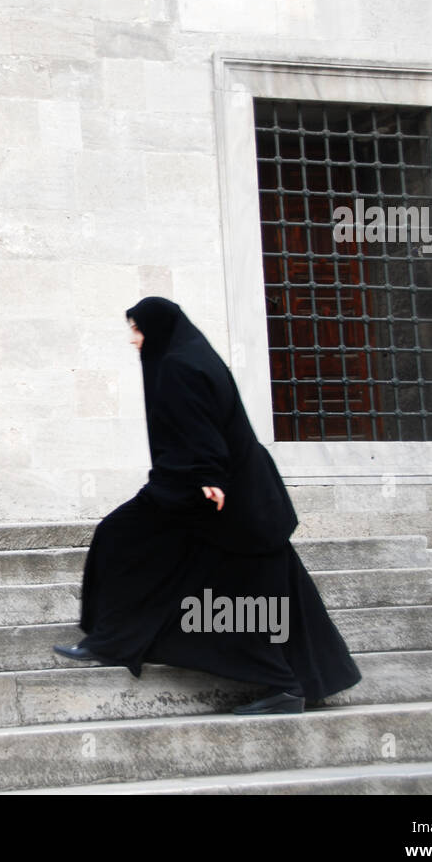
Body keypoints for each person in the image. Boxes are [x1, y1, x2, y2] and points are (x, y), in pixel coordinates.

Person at [54, 297, 361, 714]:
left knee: (121, 540)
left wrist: (208, 478)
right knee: (265, 593)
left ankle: (283, 684)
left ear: (159, 329)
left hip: (216, 502)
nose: (134, 340)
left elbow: (204, 430)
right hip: (237, 501)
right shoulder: (192, 354)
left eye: (138, 329)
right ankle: (114, 641)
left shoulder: (181, 366)